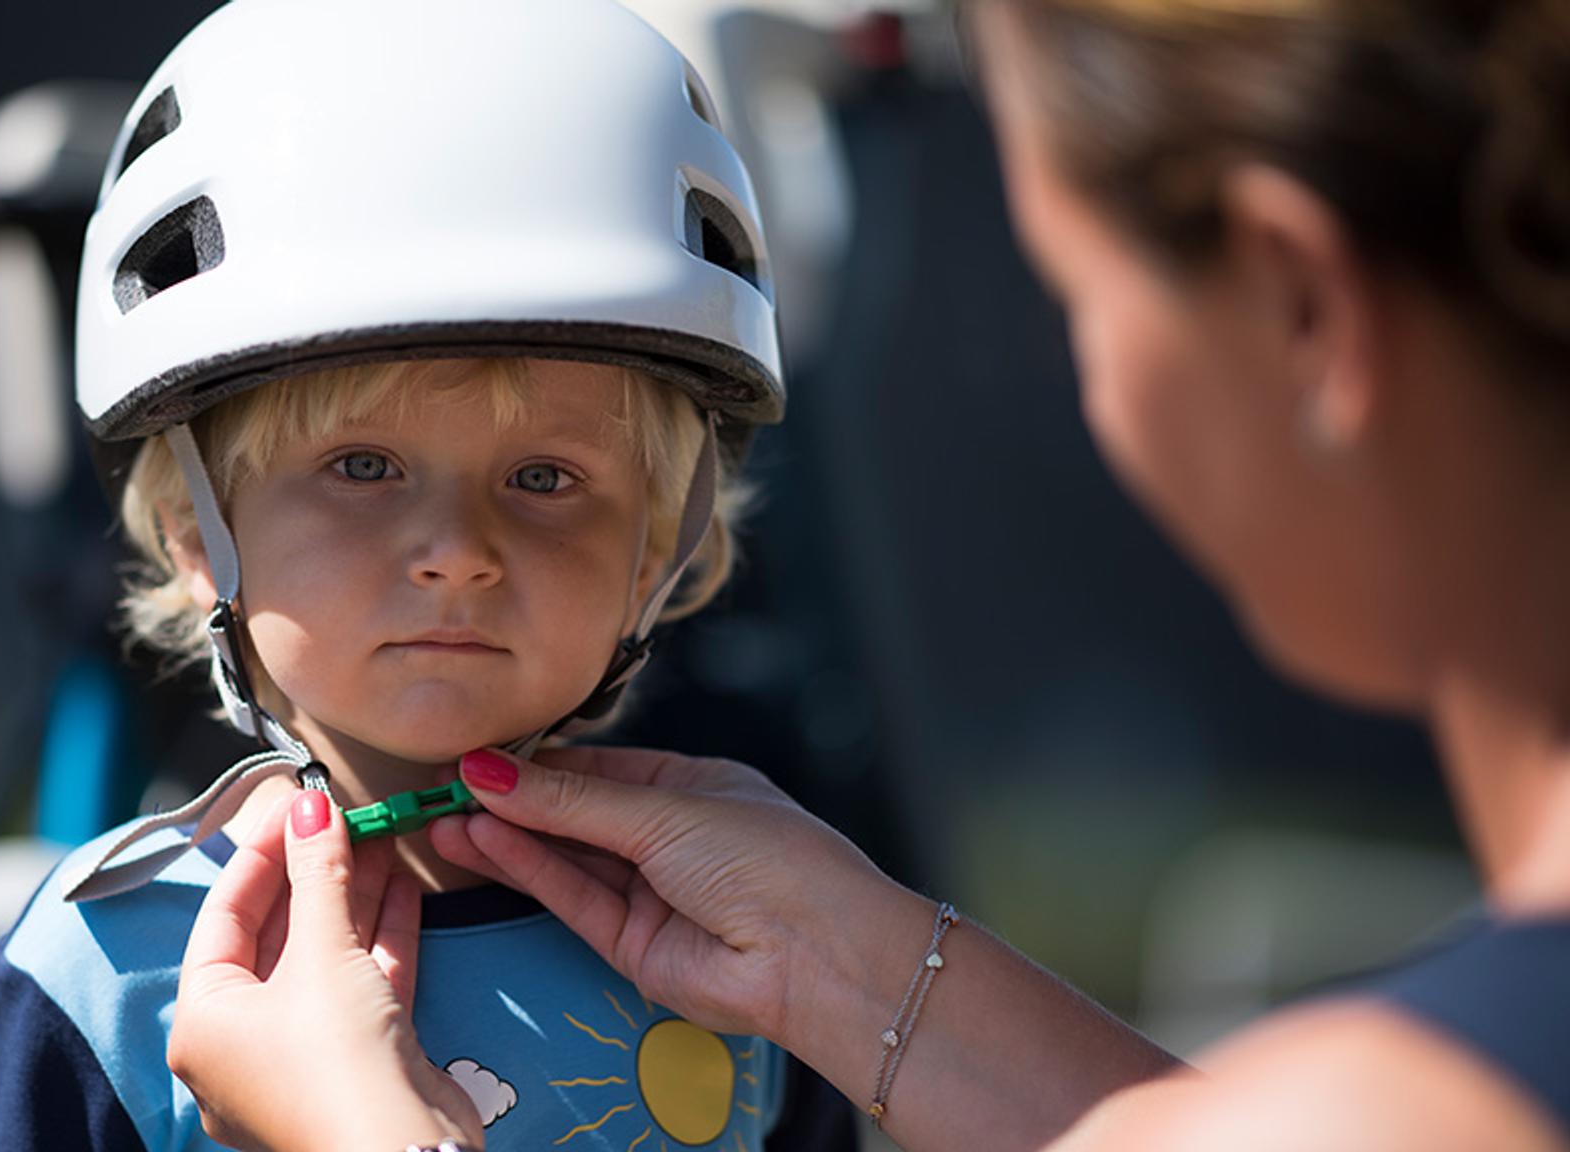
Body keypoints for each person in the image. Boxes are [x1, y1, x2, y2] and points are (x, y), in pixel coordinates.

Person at [165, 0, 1570, 1149]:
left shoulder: (1396, 1113)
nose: (456, 551)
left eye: (1074, 295)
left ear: (1301, 301)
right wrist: (858, 970)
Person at [0, 1, 858, 1150]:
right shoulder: (105, 967)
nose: (457, 550)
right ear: (197, 534)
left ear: (654, 551)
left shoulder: (745, 939)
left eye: (544, 477)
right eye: (361, 465)